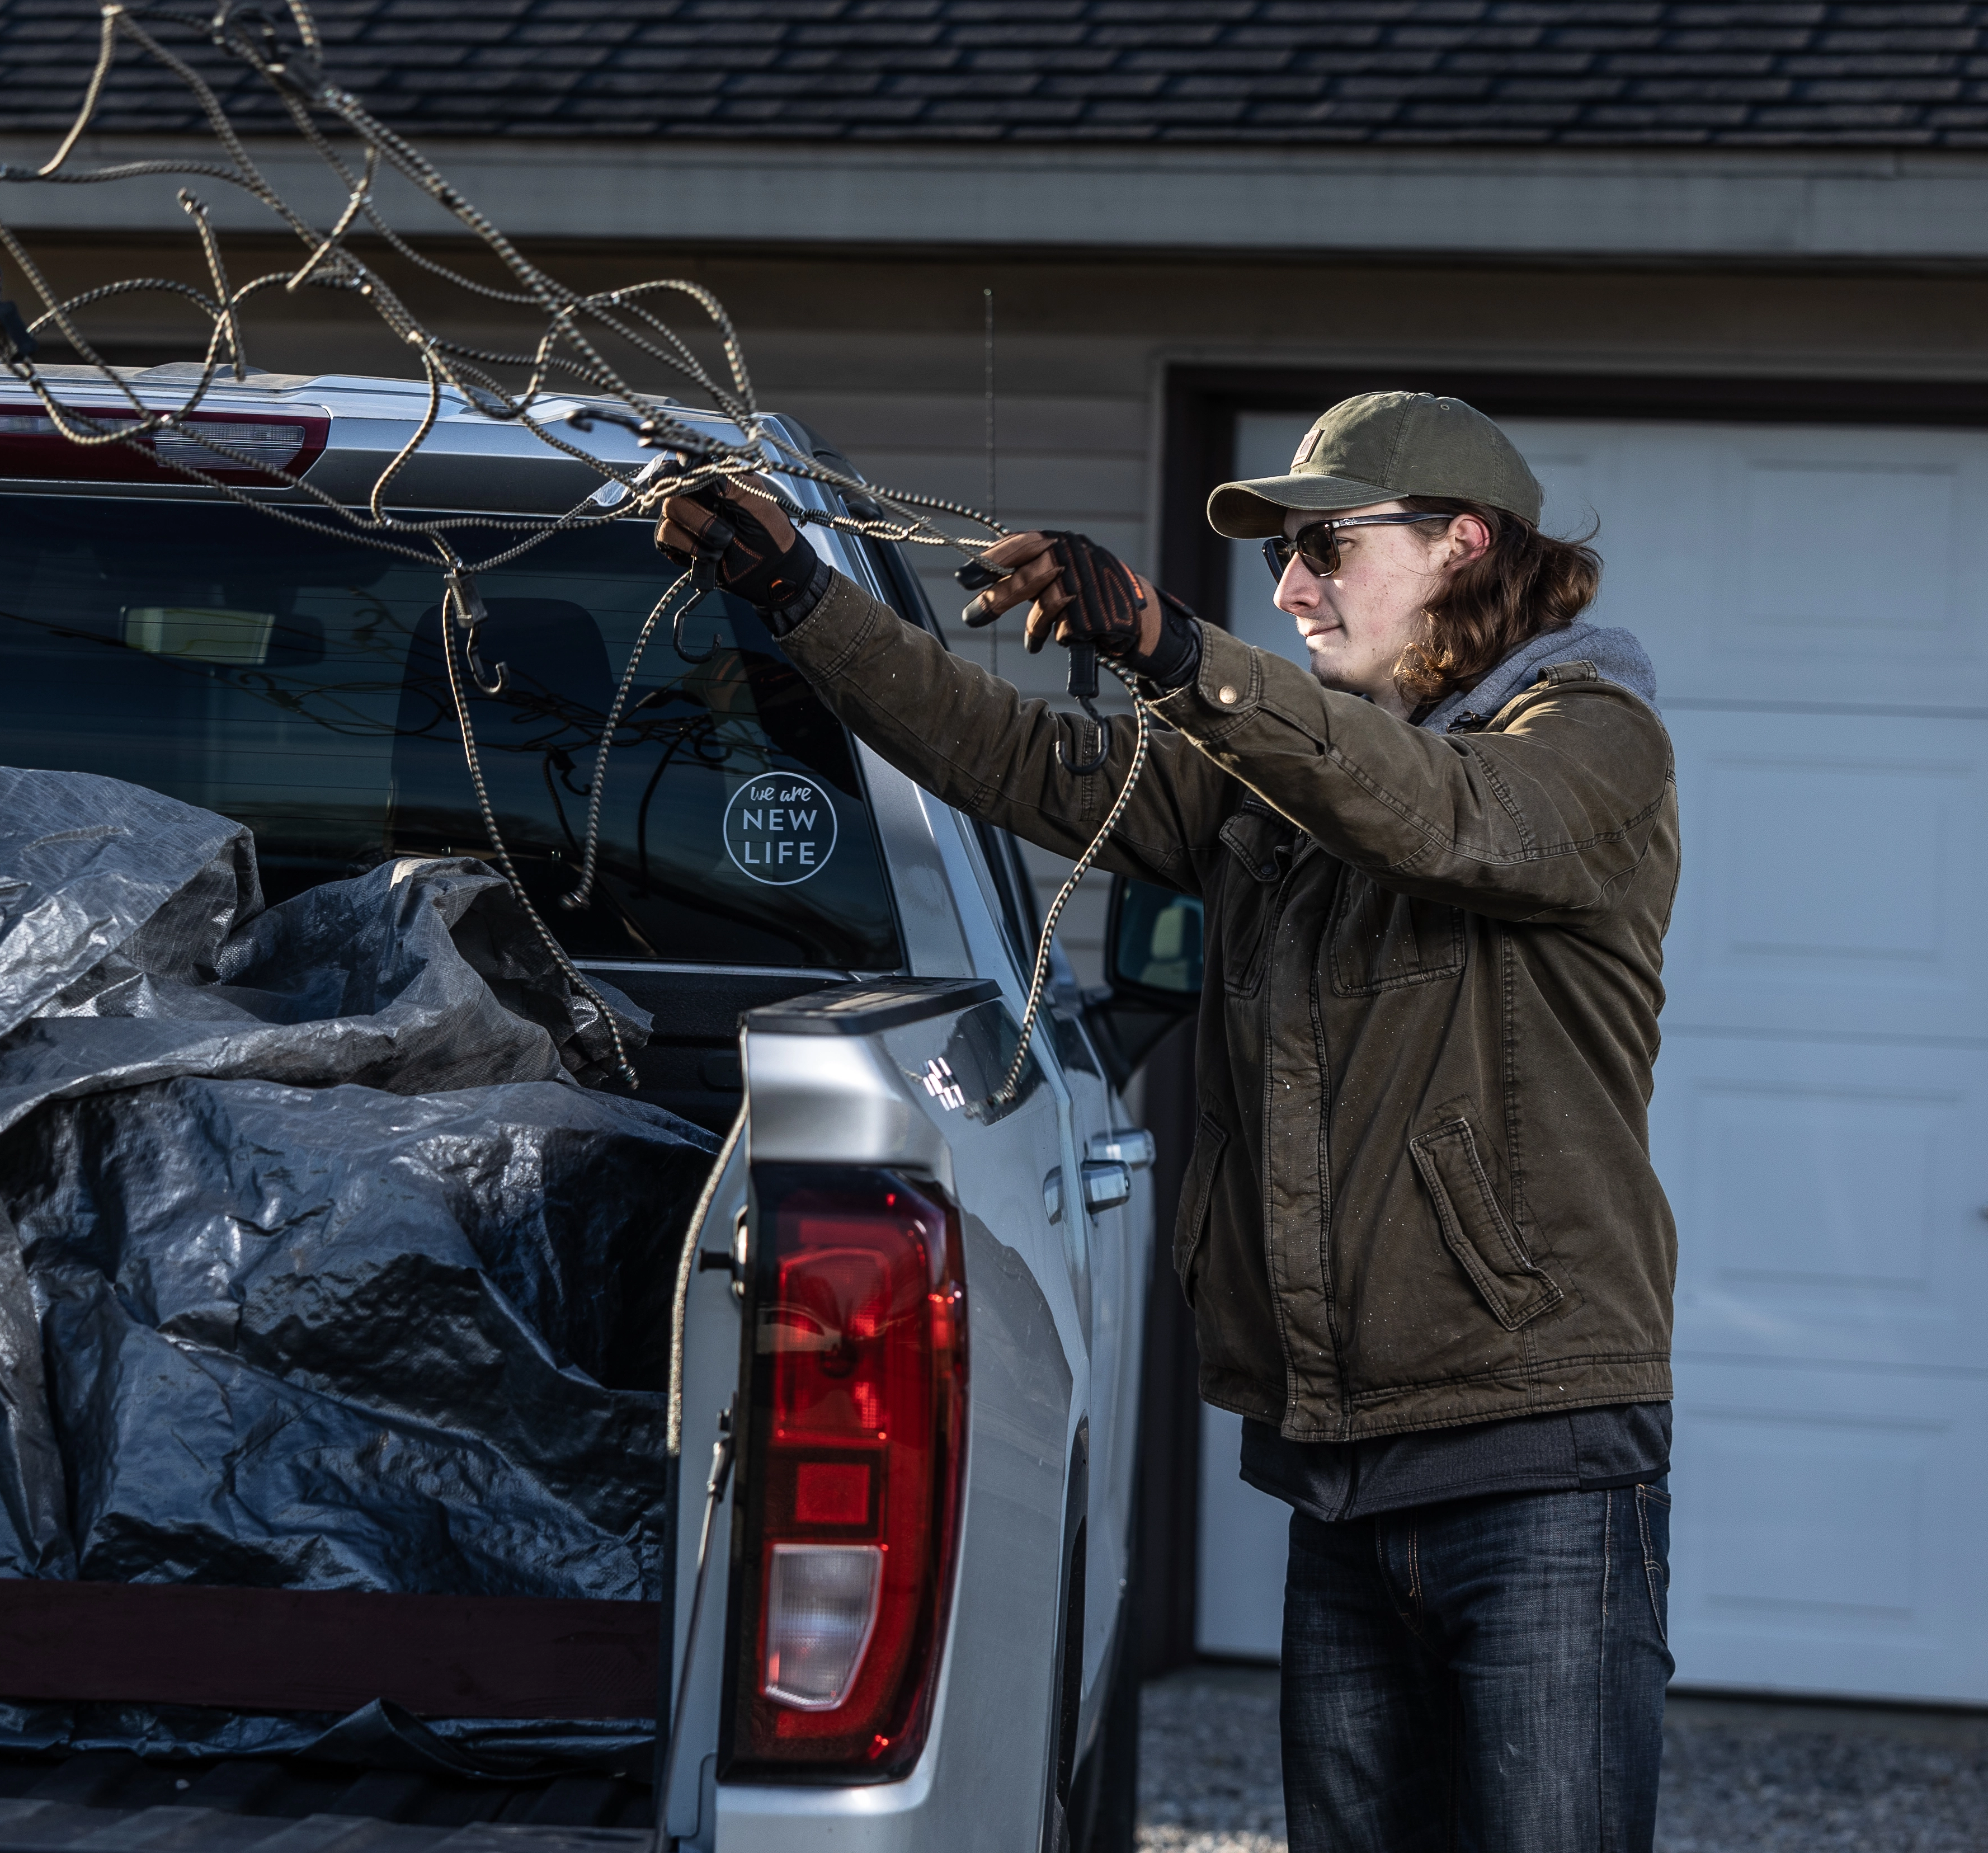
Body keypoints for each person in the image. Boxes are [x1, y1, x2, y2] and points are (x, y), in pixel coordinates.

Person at [658, 391, 1678, 1853]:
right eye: (1279, 556)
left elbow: (1439, 814)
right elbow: (1019, 759)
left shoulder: (1591, 745)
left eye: (1326, 543)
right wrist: (804, 602)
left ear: (1469, 544)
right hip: (1338, 1477)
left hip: (1543, 1478)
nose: (1290, 585)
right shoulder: (1280, 766)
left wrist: (1169, 646)